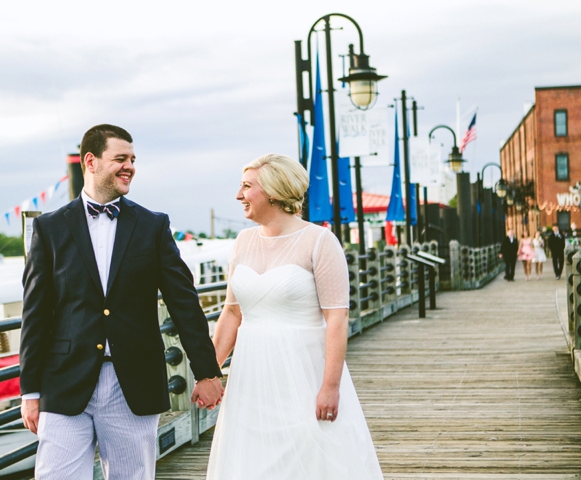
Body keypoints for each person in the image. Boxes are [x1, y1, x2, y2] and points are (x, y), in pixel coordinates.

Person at [20, 124, 224, 480]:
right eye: (120, 158)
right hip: (64, 383)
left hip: (133, 381)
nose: (129, 166)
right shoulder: (50, 228)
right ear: (91, 161)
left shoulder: (153, 226)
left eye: (133, 159)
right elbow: (35, 314)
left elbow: (184, 304)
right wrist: (30, 391)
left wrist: (206, 372)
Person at [206, 154, 383, 479]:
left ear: (273, 192)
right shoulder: (243, 242)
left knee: (310, 455)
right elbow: (231, 313)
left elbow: (337, 319)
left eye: (246, 186)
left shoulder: (319, 241)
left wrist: (330, 387)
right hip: (250, 375)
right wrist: (209, 372)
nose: (238, 195)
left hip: (303, 373)